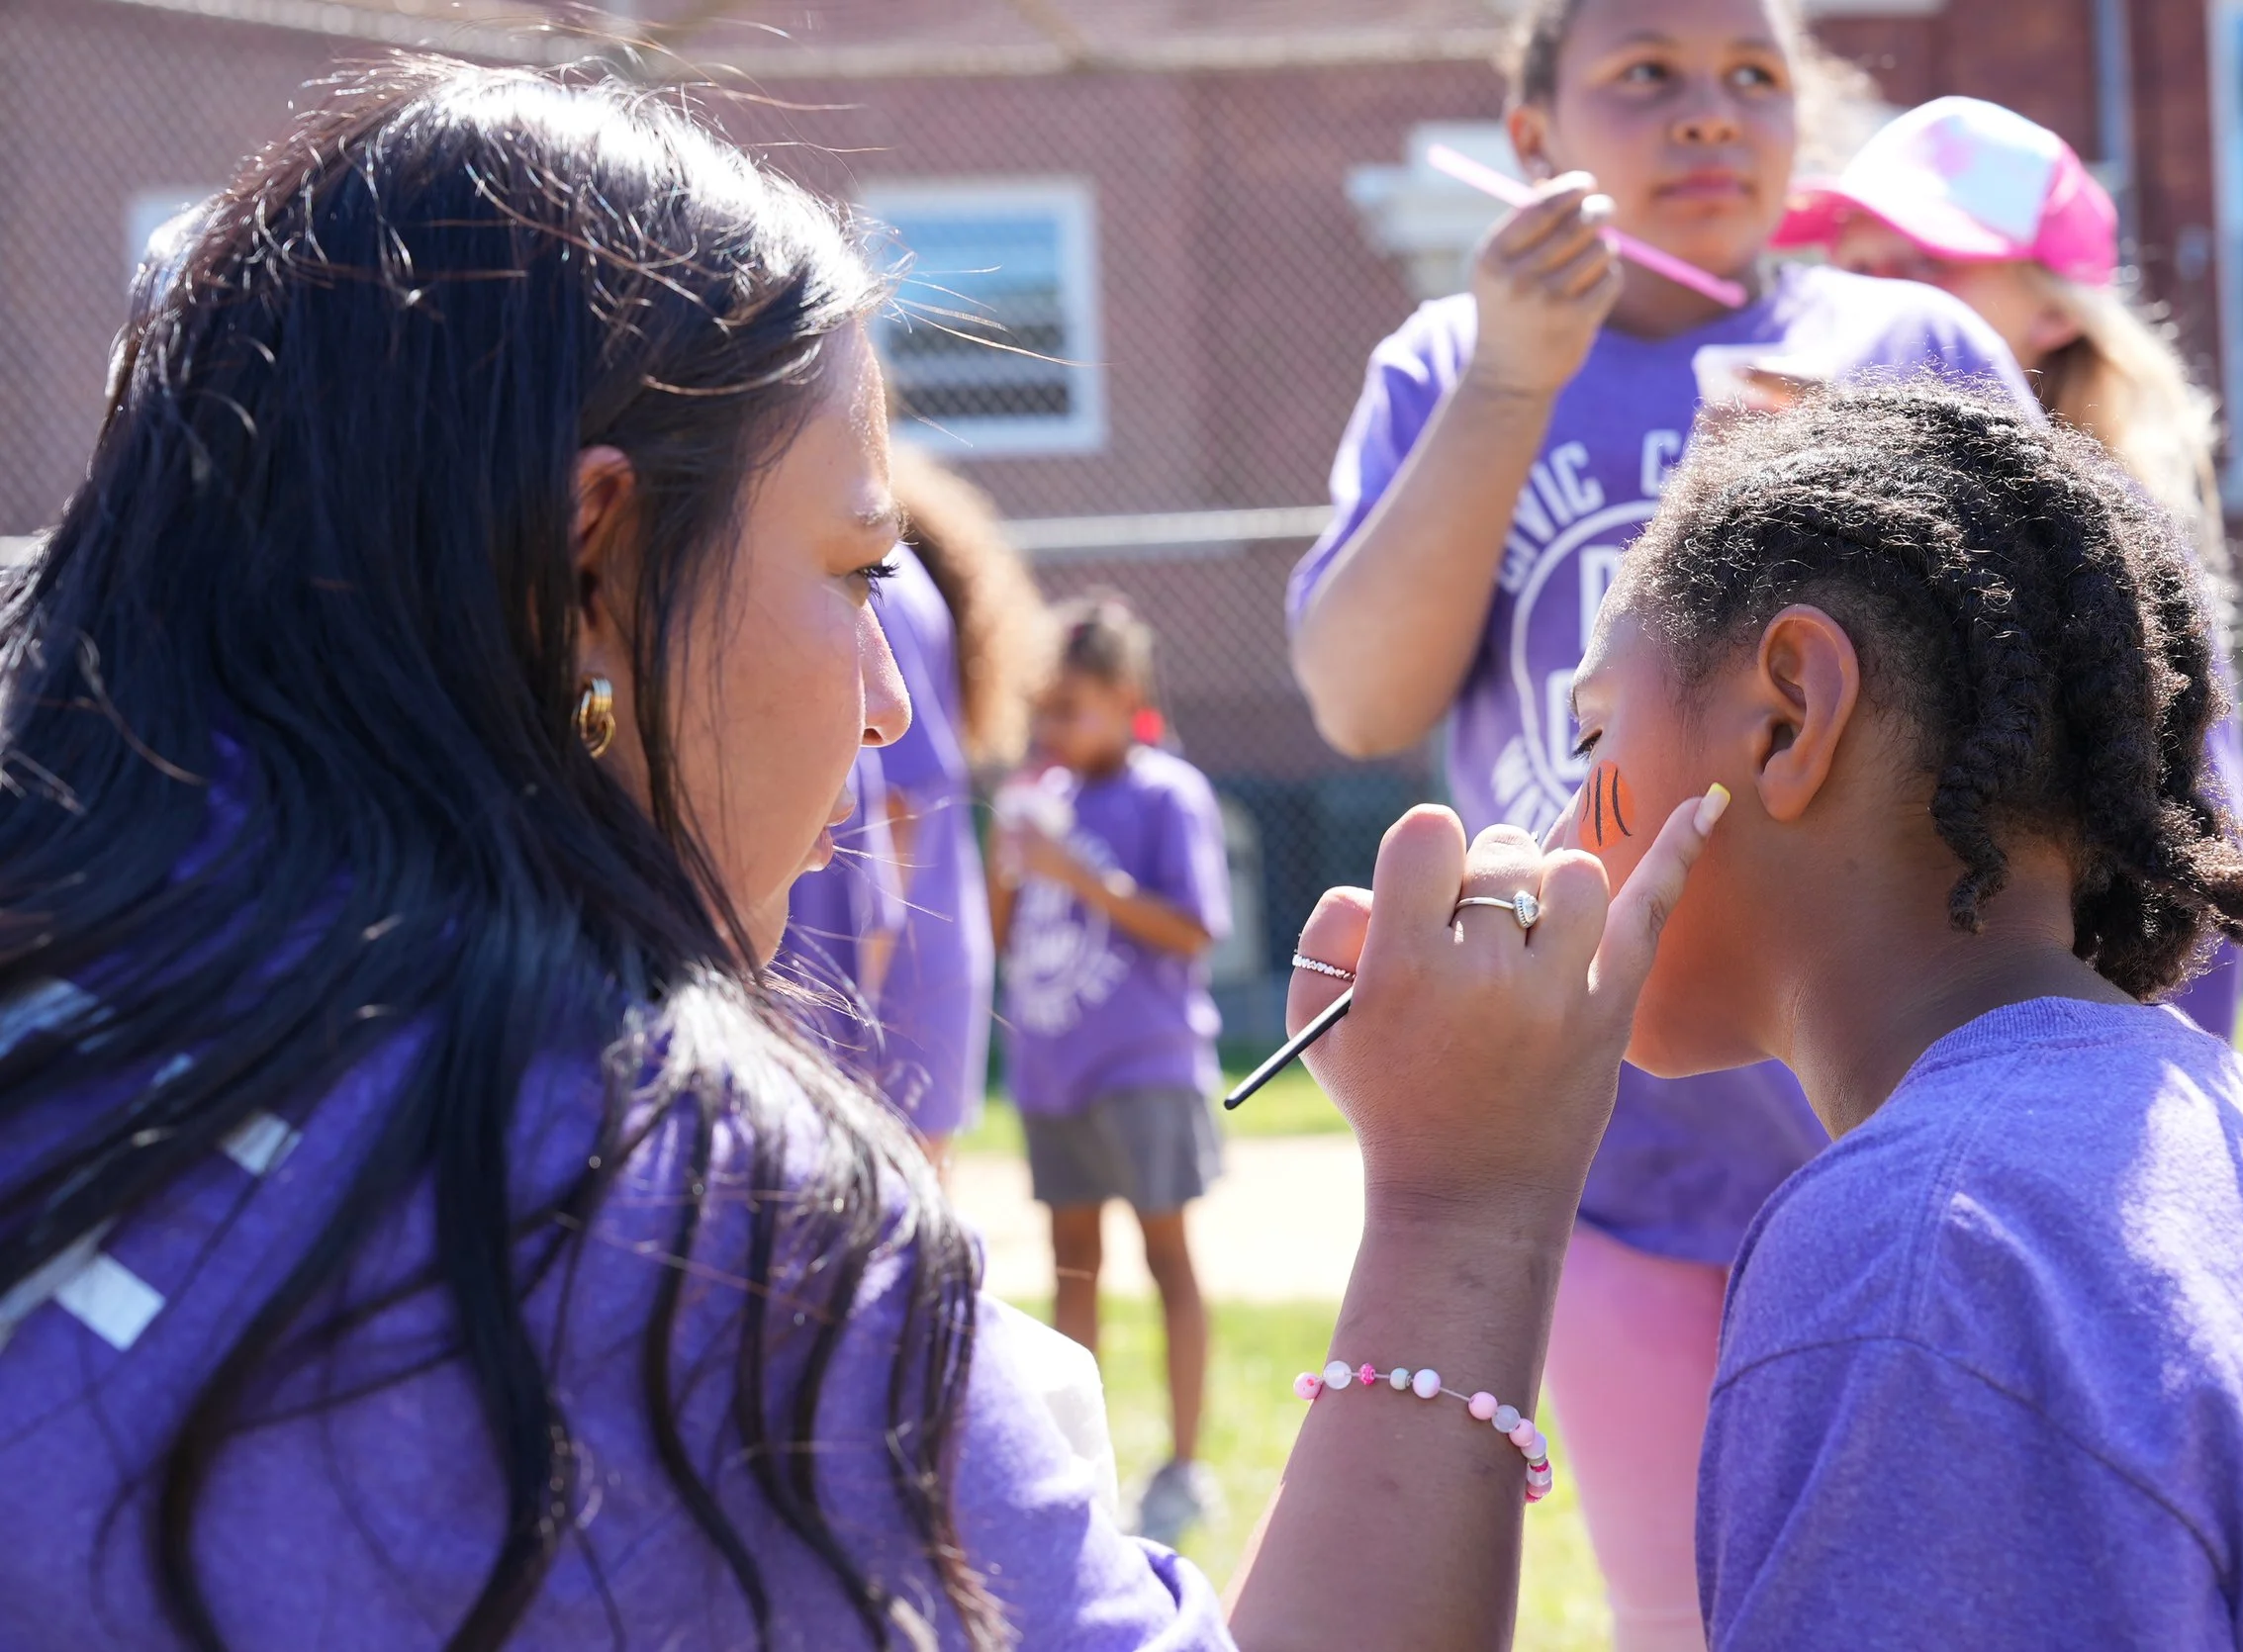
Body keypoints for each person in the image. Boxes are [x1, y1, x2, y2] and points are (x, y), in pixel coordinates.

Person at [0, 59, 1729, 1650]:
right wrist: (1461, 1205)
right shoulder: (702, 1245)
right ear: (588, 569)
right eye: (853, 577)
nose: (895, 706)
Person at [1286, 0, 2031, 1639]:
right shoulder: (1447, 362)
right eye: (1645, 77)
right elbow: (1358, 693)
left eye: (1752, 77)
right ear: (1531, 140)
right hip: (1601, 1139)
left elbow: (2038, 682)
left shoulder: (1907, 342)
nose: (1709, 114)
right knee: (1684, 1604)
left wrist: (1821, 498)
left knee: (1938, 1583)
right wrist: (1512, 377)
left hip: (1885, 1110)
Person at [1535, 378, 2243, 1646]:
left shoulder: (1919, 1254)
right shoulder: (2195, 1115)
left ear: (1786, 715)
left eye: (1590, 737)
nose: (1557, 827)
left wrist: (1452, 1194)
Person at [1776, 93, 2243, 1040]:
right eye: (1858, 268)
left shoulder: (2109, 562)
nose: (1881, 305)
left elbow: (2191, 839)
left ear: (2056, 310)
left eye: (1926, 266)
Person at [989, 595, 1229, 1548]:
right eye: (1040, 711)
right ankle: (1073, 1464)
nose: (1050, 729)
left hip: (1145, 1068)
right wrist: (1008, 865)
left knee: (1167, 1259)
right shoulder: (1044, 801)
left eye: (1070, 709)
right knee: (1072, 1269)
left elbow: (1195, 927)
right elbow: (1007, 937)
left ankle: (1184, 1467)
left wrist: (1076, 872)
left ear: (1126, 698)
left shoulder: (1167, 795)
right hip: (1055, 1074)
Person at [777, 449, 1045, 1165]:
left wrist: (859, 995)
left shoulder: (864, 577)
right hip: (924, 950)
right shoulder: (896, 569)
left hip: (875, 967)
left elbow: (896, 807)